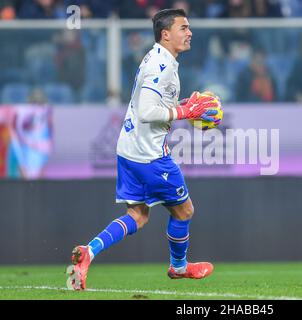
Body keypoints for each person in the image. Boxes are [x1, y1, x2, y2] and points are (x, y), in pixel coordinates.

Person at [67, 8, 219, 290]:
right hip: (150, 156)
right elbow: (149, 111)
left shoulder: (159, 58)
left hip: (129, 150)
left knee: (138, 215)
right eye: (183, 28)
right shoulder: (160, 67)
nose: (190, 33)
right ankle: (179, 267)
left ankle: (89, 252)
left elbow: (151, 104)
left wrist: (181, 105)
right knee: (184, 211)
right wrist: (185, 111)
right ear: (166, 34)